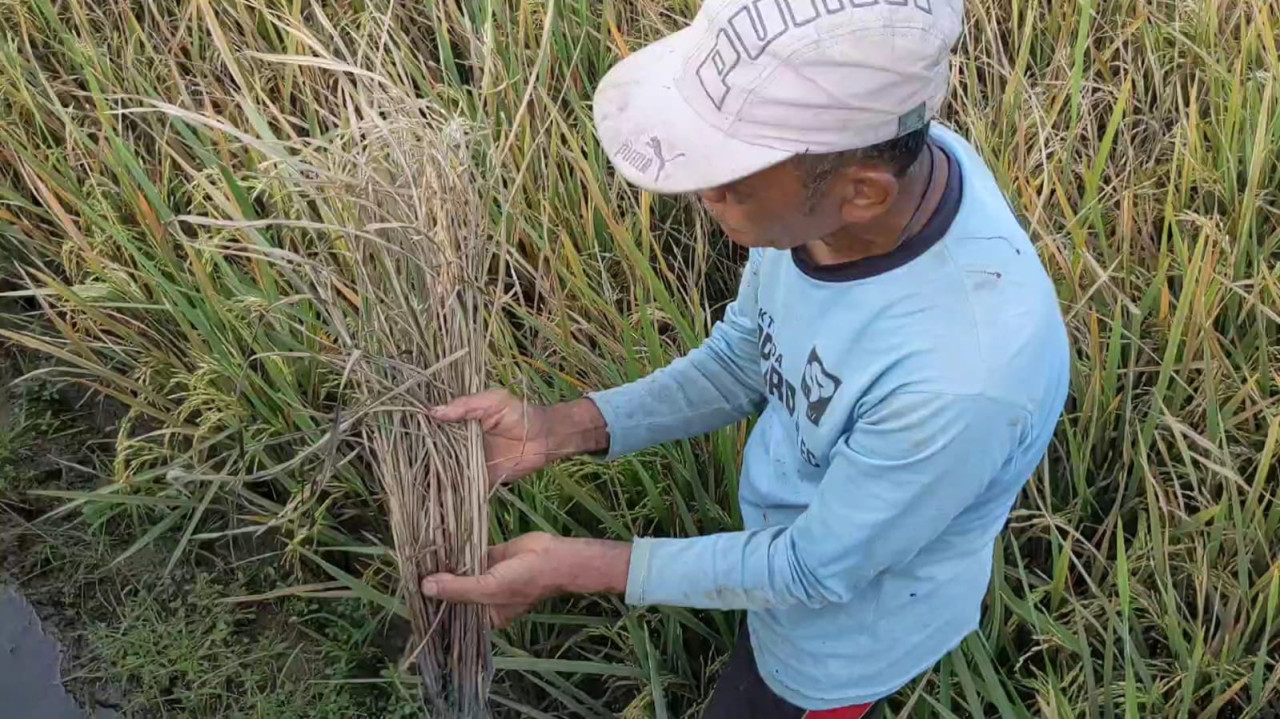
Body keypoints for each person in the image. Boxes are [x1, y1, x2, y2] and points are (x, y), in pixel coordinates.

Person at [420, 0, 1071, 716]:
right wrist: (557, 429)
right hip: (789, 561)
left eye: (733, 176)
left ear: (862, 192)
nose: (705, 191)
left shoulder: (960, 378)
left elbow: (811, 570)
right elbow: (745, 356)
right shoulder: (844, 191)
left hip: (841, 637)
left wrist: (575, 567)